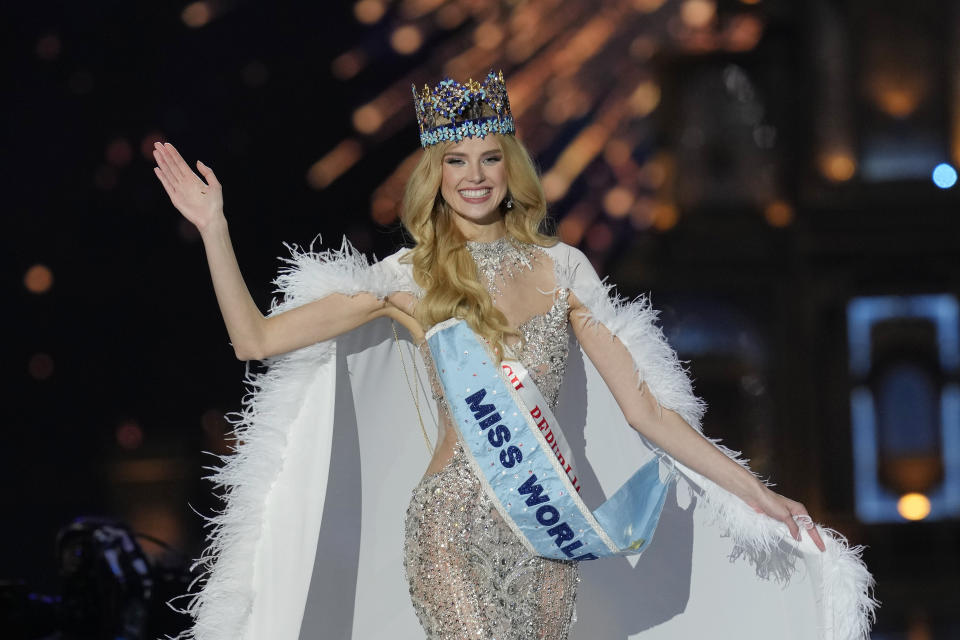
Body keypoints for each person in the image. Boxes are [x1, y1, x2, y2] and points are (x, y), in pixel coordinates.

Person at [154, 71, 874, 640]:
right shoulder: (408, 277)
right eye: (455, 160)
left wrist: (759, 497)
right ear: (434, 175)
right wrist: (215, 229)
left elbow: (647, 410)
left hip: (547, 537)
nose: (474, 175)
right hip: (452, 529)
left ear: (512, 167)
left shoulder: (564, 269)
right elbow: (254, 340)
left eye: (490, 158)